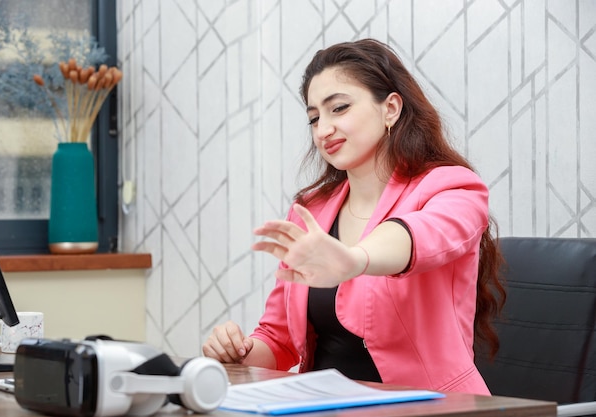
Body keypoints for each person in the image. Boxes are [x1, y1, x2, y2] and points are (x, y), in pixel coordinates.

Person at [202, 38, 505, 395]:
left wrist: (354, 259)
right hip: (321, 403)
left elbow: (421, 236)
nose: (323, 130)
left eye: (339, 108)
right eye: (314, 118)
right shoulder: (311, 209)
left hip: (429, 405)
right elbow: (280, 339)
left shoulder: (453, 188)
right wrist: (239, 352)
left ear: (390, 108)